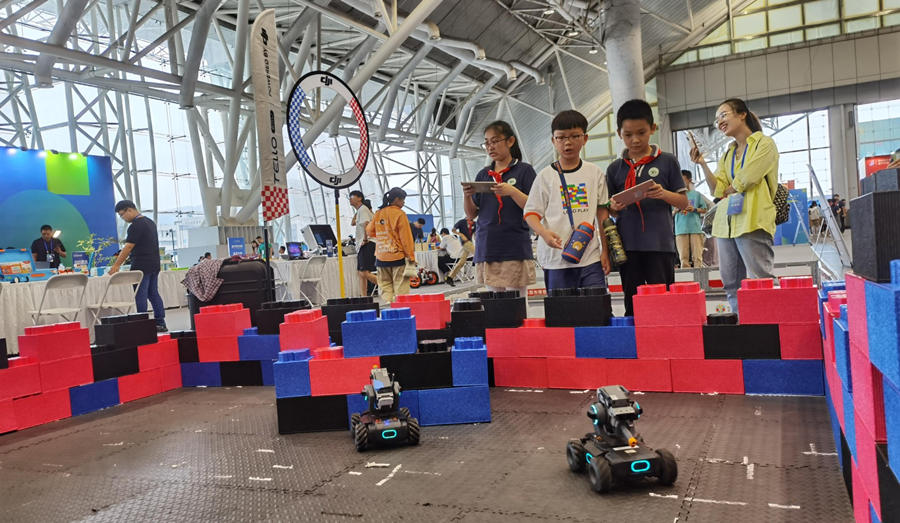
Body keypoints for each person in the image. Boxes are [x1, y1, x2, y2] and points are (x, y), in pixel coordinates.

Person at [691, 97, 779, 315]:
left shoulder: (764, 143)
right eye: (717, 119)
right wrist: (703, 164)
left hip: (752, 220)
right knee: (731, 283)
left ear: (742, 114)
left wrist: (731, 187)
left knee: (761, 279)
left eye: (724, 115)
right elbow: (717, 189)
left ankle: (768, 326)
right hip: (726, 225)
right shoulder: (728, 154)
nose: (720, 122)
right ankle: (743, 324)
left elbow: (750, 175)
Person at [607, 100, 688, 316]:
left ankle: (663, 335)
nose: (635, 140)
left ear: (652, 128)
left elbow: (683, 202)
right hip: (627, 246)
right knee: (632, 303)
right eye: (628, 135)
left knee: (662, 302)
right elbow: (610, 210)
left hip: (659, 244)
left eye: (641, 133)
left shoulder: (667, 161)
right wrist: (614, 207)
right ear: (619, 134)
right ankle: (635, 336)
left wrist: (663, 194)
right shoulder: (615, 168)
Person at [524, 110, 613, 301]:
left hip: (590, 258)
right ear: (553, 140)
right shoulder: (545, 176)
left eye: (574, 136)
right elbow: (531, 213)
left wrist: (605, 251)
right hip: (556, 259)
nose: (568, 143)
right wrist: (544, 233)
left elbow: (602, 214)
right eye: (561, 137)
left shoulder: (595, 172)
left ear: (585, 138)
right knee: (562, 313)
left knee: (597, 309)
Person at [464, 120, 537, 296]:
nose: (490, 147)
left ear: (510, 141)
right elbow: (472, 214)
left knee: (516, 303)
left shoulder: (524, 171)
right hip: (488, 246)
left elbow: (534, 206)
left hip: (514, 246)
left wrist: (512, 191)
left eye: (495, 141)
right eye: (487, 143)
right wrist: (467, 195)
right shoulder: (483, 174)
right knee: (495, 303)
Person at [109, 200, 167, 332]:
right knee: (153, 294)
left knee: (140, 295)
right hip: (154, 263)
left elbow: (128, 247)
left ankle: (143, 324)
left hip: (141, 265)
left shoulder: (136, 225)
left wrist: (116, 265)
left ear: (129, 210)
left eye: (122, 215)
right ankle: (161, 323)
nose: (123, 218)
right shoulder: (150, 222)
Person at [367, 188, 415, 303]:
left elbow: (369, 231)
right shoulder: (400, 214)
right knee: (400, 286)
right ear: (397, 199)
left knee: (385, 285)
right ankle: (400, 309)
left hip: (381, 256)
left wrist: (382, 233)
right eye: (403, 200)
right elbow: (406, 237)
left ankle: (388, 306)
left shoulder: (378, 213)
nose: (404, 203)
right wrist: (411, 255)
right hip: (397, 255)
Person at [673, 170, 707, 269]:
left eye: (683, 180)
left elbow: (705, 209)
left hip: (695, 228)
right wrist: (675, 211)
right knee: (683, 258)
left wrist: (694, 209)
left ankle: (699, 276)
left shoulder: (696, 194)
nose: (681, 183)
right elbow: (669, 213)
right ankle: (686, 277)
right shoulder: (674, 196)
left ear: (690, 180)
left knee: (697, 257)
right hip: (680, 229)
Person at [350, 190, 378, 297]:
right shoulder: (360, 210)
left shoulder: (363, 210)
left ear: (359, 198)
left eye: (352, 196)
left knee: (364, 273)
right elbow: (353, 223)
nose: (350, 199)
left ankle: (387, 287)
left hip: (367, 243)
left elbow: (367, 224)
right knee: (360, 273)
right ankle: (364, 297)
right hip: (363, 244)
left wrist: (365, 239)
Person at [445, 216, 477, 286]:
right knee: (478, 255)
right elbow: (453, 230)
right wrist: (461, 234)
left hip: (470, 242)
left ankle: (450, 277)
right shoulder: (462, 222)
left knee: (461, 262)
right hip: (465, 242)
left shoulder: (474, 223)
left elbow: (476, 233)